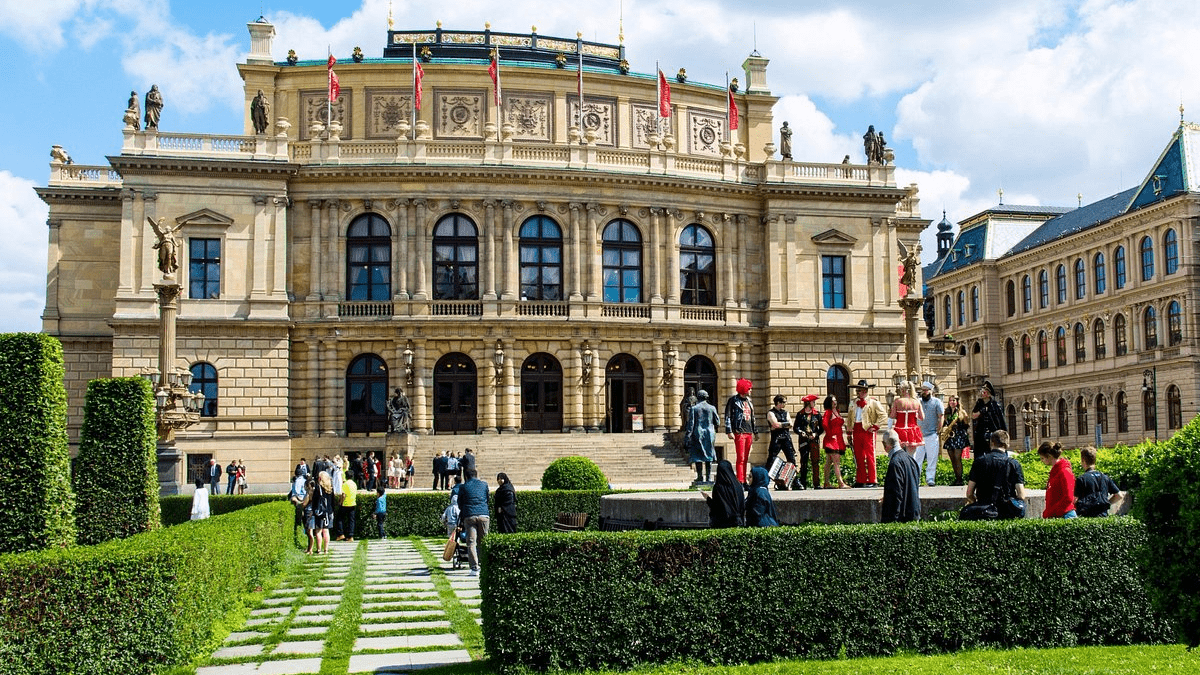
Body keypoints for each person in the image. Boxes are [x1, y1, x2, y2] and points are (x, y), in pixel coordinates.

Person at [962, 431, 1026, 521]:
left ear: (991, 443)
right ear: (1007, 444)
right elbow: (1021, 495)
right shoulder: (1013, 464)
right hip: (1006, 512)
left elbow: (969, 493)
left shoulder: (979, 461)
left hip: (983, 510)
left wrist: (973, 501)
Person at [851, 380, 887, 487]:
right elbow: (850, 417)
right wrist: (849, 431)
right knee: (859, 455)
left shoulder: (873, 402)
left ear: (866, 391)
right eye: (857, 390)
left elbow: (883, 415)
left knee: (870, 455)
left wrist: (875, 426)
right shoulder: (853, 402)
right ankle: (861, 480)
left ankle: (872, 480)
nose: (858, 393)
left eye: (860, 390)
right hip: (856, 429)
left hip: (867, 430)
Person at [880, 429, 921, 523]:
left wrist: (892, 519)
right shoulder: (910, 459)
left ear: (885, 445)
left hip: (902, 517)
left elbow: (896, 493)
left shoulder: (895, 463)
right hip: (914, 513)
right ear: (899, 441)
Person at [724, 378, 759, 484]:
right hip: (739, 432)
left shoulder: (749, 401)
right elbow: (728, 416)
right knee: (741, 457)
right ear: (744, 388)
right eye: (749, 388)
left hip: (749, 432)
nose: (751, 390)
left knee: (746, 458)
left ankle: (745, 480)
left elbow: (752, 417)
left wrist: (755, 431)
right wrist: (729, 431)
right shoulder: (733, 400)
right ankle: (740, 480)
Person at [456, 469, 491, 576]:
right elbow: (487, 499)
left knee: (471, 542)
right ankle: (484, 564)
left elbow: (460, 502)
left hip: (469, 515)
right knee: (484, 541)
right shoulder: (484, 485)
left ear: (465, 476)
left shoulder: (463, 487)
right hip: (483, 514)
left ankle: (475, 568)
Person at [1075, 446, 1123, 517]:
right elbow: (1119, 495)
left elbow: (1074, 500)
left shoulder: (1081, 479)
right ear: (1094, 460)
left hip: (1087, 517)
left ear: (1083, 460)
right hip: (1103, 517)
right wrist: (1107, 504)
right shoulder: (1105, 477)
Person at [764, 395, 799, 489]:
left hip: (786, 438)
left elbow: (790, 424)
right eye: (783, 402)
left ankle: (796, 481)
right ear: (778, 403)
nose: (785, 404)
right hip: (776, 438)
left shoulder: (785, 412)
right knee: (771, 459)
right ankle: (764, 481)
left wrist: (780, 425)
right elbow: (774, 424)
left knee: (791, 459)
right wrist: (783, 424)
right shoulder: (771, 413)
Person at [686, 389, 720, 484]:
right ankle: (709, 478)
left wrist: (688, 436)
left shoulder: (694, 408)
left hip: (698, 433)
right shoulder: (712, 408)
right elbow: (718, 422)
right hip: (710, 433)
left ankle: (700, 477)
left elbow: (691, 424)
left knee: (698, 455)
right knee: (709, 455)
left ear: (698, 397)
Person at [701, 460, 745, 528]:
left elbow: (716, 507)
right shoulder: (738, 485)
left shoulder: (719, 487)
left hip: (723, 524)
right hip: (739, 522)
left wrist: (708, 498)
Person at [1039, 441, 1076, 519]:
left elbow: (1068, 497)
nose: (1042, 461)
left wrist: (1050, 511)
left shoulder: (1064, 471)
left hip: (1065, 515)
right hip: (1059, 514)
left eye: (1042, 458)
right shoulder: (1056, 471)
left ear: (1049, 456)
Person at [794, 394, 823, 489]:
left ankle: (816, 483)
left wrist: (816, 434)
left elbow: (821, 428)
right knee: (804, 461)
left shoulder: (817, 414)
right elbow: (795, 427)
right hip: (804, 440)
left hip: (814, 441)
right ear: (808, 403)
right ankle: (803, 483)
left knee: (815, 461)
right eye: (813, 401)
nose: (814, 403)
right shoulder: (800, 414)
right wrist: (800, 432)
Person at [972, 380, 1006, 460]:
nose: (982, 393)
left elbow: (1000, 420)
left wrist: (1003, 434)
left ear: (988, 394)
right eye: (982, 391)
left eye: (984, 392)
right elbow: (973, 416)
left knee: (993, 453)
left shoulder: (995, 405)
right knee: (980, 455)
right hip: (981, 433)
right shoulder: (979, 403)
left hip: (993, 432)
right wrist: (981, 411)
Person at [889, 381, 925, 456]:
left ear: (902, 390)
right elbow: (922, 417)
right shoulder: (916, 401)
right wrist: (915, 415)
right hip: (912, 430)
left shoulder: (898, 401)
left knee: (899, 454)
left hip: (899, 429)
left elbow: (892, 416)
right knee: (912, 456)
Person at [941, 395, 970, 485]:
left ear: (957, 402)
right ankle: (956, 477)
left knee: (957, 458)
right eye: (950, 400)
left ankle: (960, 479)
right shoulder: (947, 412)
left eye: (954, 400)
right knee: (952, 458)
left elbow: (966, 425)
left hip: (959, 436)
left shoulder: (962, 412)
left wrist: (958, 425)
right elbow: (943, 424)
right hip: (950, 437)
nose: (952, 402)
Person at [822, 395, 849, 489]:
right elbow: (824, 424)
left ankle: (826, 483)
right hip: (832, 439)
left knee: (829, 462)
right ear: (829, 402)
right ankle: (841, 483)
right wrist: (830, 434)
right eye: (833, 401)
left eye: (836, 400)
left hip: (838, 438)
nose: (835, 402)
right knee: (836, 462)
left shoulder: (837, 411)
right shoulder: (828, 412)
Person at [313, 471, 335, 554]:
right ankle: (326, 549)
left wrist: (314, 510)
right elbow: (333, 501)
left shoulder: (318, 488)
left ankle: (319, 549)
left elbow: (314, 501)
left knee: (318, 531)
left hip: (320, 512)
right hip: (328, 512)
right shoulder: (330, 488)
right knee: (326, 531)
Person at [335, 471, 358, 541]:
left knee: (339, 519)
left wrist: (340, 502)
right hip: (353, 503)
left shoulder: (345, 484)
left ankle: (341, 534)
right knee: (351, 520)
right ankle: (351, 536)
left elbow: (343, 495)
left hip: (345, 504)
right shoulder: (354, 484)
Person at [288, 466, 307, 538]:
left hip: (299, 499)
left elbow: (296, 491)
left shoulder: (297, 481)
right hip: (305, 499)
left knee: (300, 517)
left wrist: (296, 498)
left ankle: (302, 532)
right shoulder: (304, 480)